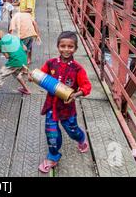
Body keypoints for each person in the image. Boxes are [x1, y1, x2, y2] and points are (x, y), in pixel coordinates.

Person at [31, 31, 91, 173]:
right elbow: (42, 75)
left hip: (67, 109)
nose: (66, 49)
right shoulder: (50, 63)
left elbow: (87, 86)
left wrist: (76, 93)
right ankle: (53, 156)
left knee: (73, 131)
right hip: (51, 106)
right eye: (62, 46)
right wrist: (32, 76)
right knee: (51, 132)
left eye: (70, 46)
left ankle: (81, 138)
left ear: (75, 49)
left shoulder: (78, 69)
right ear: (58, 46)